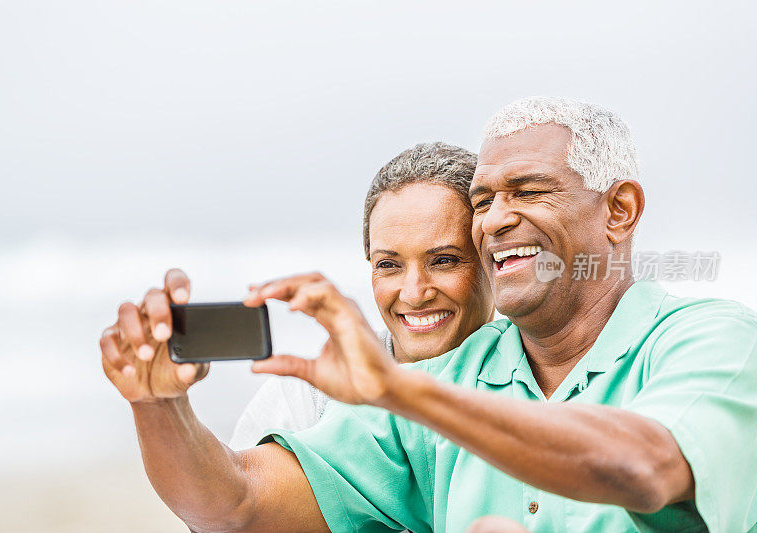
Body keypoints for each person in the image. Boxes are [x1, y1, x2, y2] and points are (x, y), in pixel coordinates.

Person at [100, 97, 757, 532]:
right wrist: (158, 407)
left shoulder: (711, 340)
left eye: (527, 191)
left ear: (619, 210)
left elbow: (641, 467)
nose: (497, 219)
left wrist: (403, 388)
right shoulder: (448, 379)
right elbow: (238, 503)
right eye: (484, 200)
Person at [229, 142, 494, 450]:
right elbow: (229, 493)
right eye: (389, 265)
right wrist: (164, 404)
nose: (414, 294)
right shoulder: (312, 394)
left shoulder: (534, 378)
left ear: (492, 258)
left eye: (443, 260)